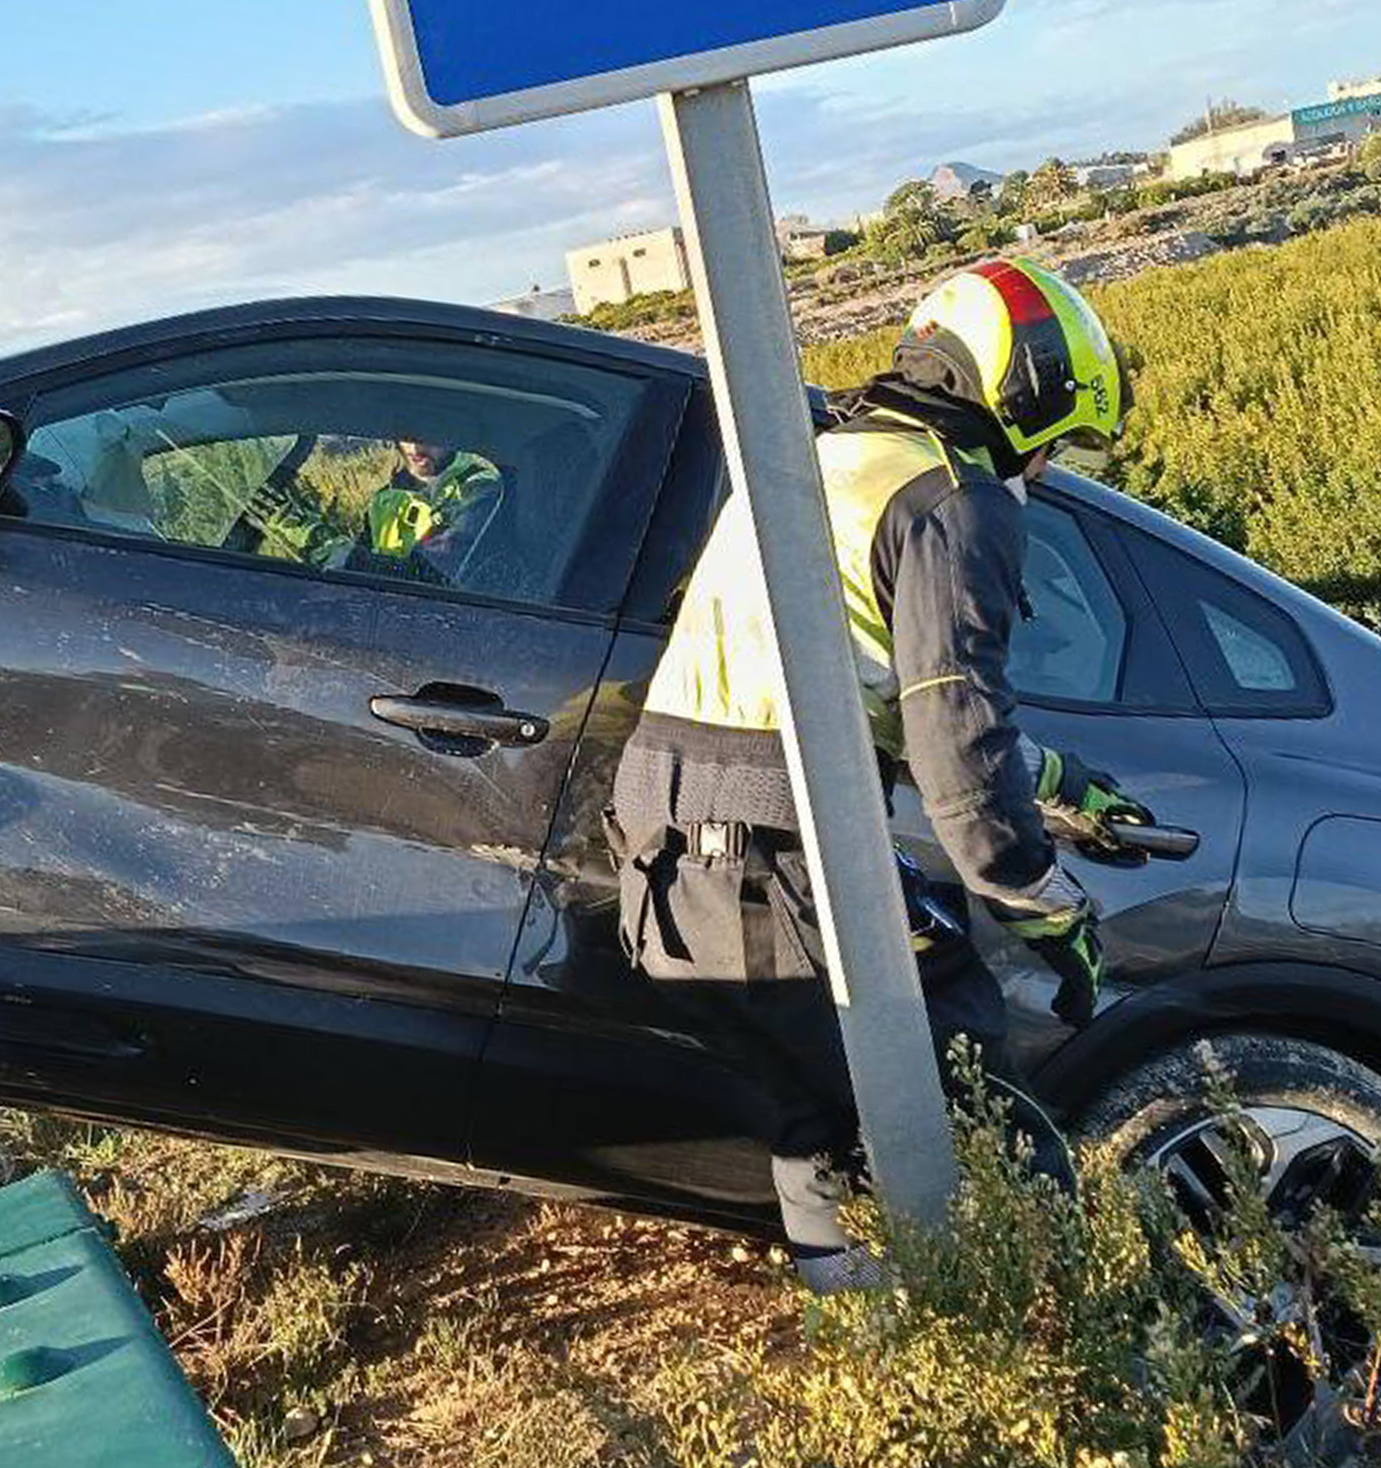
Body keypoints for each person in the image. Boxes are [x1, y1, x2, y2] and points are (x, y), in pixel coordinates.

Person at [608, 258, 1145, 1291]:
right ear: (1024, 396)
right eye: (1060, 439)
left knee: (822, 1118)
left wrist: (1059, 778)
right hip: (770, 852)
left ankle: (867, 1346)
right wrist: (1034, 893)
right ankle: (1040, 1355)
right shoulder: (956, 498)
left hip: (667, 853)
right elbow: (955, 724)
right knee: (968, 1091)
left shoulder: (814, 459)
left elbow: (852, 683)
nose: (1051, 468)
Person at [363, 440, 504, 578]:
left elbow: (443, 566)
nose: (415, 448)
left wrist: (376, 566)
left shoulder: (479, 486)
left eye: (427, 437)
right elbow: (365, 545)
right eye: (406, 437)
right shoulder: (391, 489)